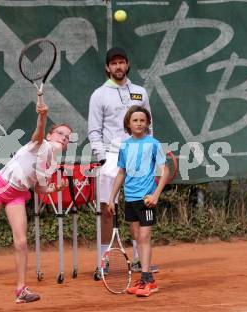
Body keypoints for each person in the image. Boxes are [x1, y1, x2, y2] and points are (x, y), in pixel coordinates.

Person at [0, 93, 72, 303]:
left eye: (68, 137)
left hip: (18, 194)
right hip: (0, 187)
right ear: (51, 134)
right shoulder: (40, 144)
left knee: (21, 241)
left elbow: (39, 188)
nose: (65, 138)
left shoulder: (51, 161)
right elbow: (38, 133)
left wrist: (56, 187)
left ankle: (21, 290)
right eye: (61, 133)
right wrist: (42, 117)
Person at [88, 47, 157, 273]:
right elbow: (94, 131)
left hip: (140, 156)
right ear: (108, 68)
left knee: (139, 205)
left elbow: (149, 124)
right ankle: (104, 261)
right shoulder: (99, 94)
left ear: (127, 65)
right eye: (114, 63)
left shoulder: (140, 92)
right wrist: (101, 158)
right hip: (111, 157)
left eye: (122, 62)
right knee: (108, 208)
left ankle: (139, 260)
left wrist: (148, 151)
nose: (118, 66)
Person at [108, 105, 169, 297]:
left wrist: (156, 195)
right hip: (130, 198)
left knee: (144, 238)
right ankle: (145, 279)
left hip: (147, 199)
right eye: (135, 120)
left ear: (147, 123)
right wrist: (112, 198)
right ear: (128, 123)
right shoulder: (124, 146)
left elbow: (165, 171)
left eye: (143, 120)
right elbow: (121, 172)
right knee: (136, 236)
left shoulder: (154, 144)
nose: (139, 123)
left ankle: (148, 279)